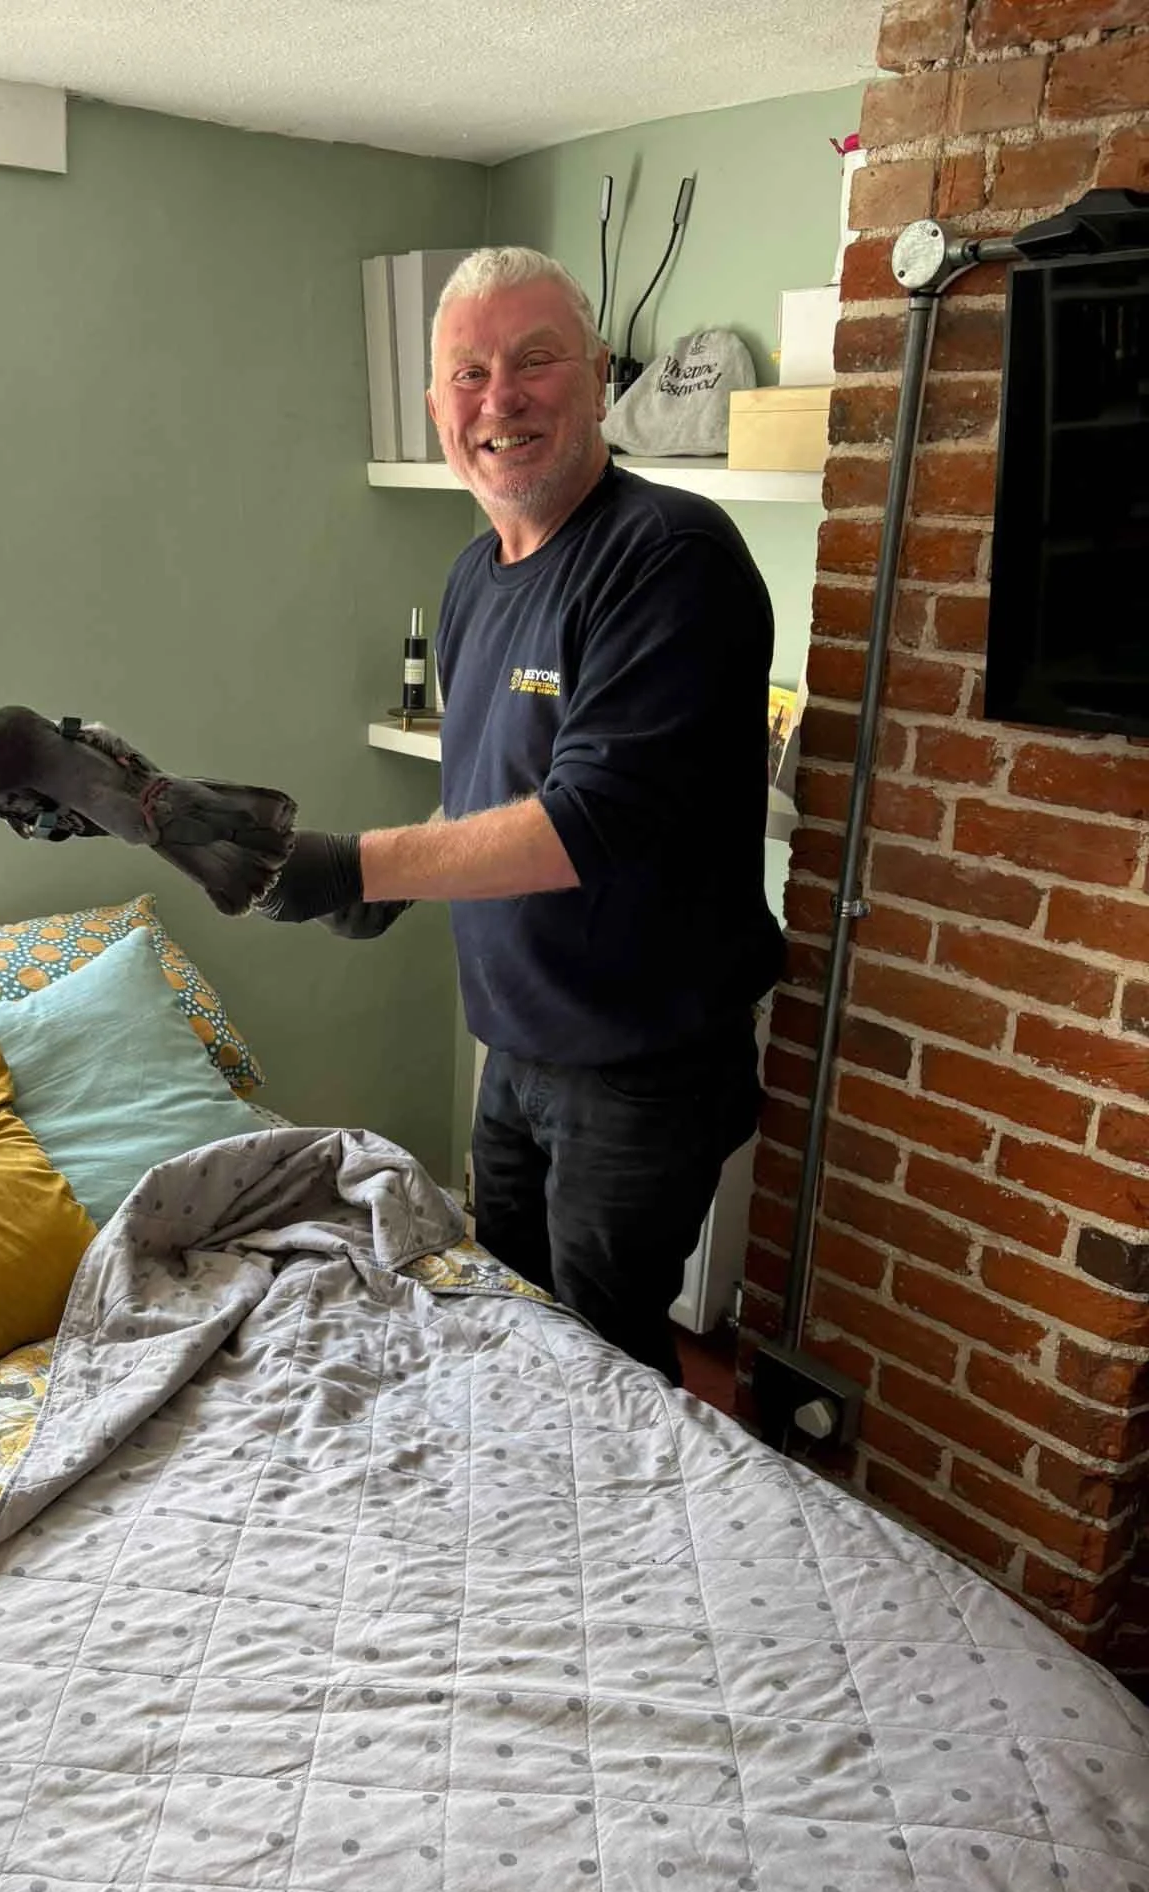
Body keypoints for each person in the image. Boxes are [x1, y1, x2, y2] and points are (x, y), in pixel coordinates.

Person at [252, 246, 784, 1388]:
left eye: (536, 361)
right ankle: (533, 1542)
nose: (502, 399)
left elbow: (590, 815)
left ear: (598, 378)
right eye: (469, 372)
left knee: (604, 1357)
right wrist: (386, 893)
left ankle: (632, 1552)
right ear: (439, 405)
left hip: (641, 1062)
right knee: (512, 1312)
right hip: (520, 1042)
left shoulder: (668, 558)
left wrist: (352, 864)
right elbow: (495, 784)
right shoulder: (472, 576)